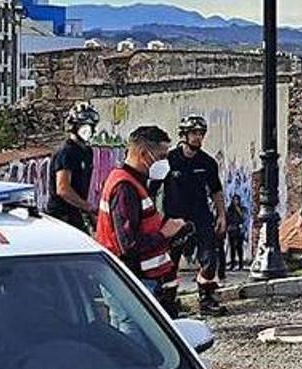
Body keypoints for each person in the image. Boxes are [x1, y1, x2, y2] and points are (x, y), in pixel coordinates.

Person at [93, 126, 187, 316]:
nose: (165, 162)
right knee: (133, 334)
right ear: (144, 154)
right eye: (162, 156)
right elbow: (128, 244)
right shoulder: (125, 187)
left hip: (135, 278)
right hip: (131, 279)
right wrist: (164, 233)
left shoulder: (130, 181)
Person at [161, 115, 228, 316]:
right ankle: (168, 302)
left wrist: (222, 216)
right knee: (170, 263)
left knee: (209, 259)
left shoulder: (207, 162)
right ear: (184, 135)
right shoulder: (169, 160)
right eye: (194, 133)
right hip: (175, 218)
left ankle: (206, 299)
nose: (198, 138)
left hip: (202, 217)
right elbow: (152, 189)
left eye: (201, 134)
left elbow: (216, 190)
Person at [47, 102, 100, 232]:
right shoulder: (66, 153)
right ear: (74, 127)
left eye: (92, 127)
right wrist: (89, 208)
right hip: (60, 216)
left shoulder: (87, 152)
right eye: (85, 127)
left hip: (76, 214)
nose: (89, 131)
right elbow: (63, 189)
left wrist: (89, 214)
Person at [225, 193, 247, 270]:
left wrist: (239, 210)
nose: (236, 201)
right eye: (234, 200)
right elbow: (227, 218)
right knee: (232, 248)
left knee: (239, 247)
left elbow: (243, 218)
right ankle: (232, 263)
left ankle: (241, 264)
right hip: (232, 230)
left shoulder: (242, 209)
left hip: (239, 230)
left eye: (237, 200)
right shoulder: (230, 209)